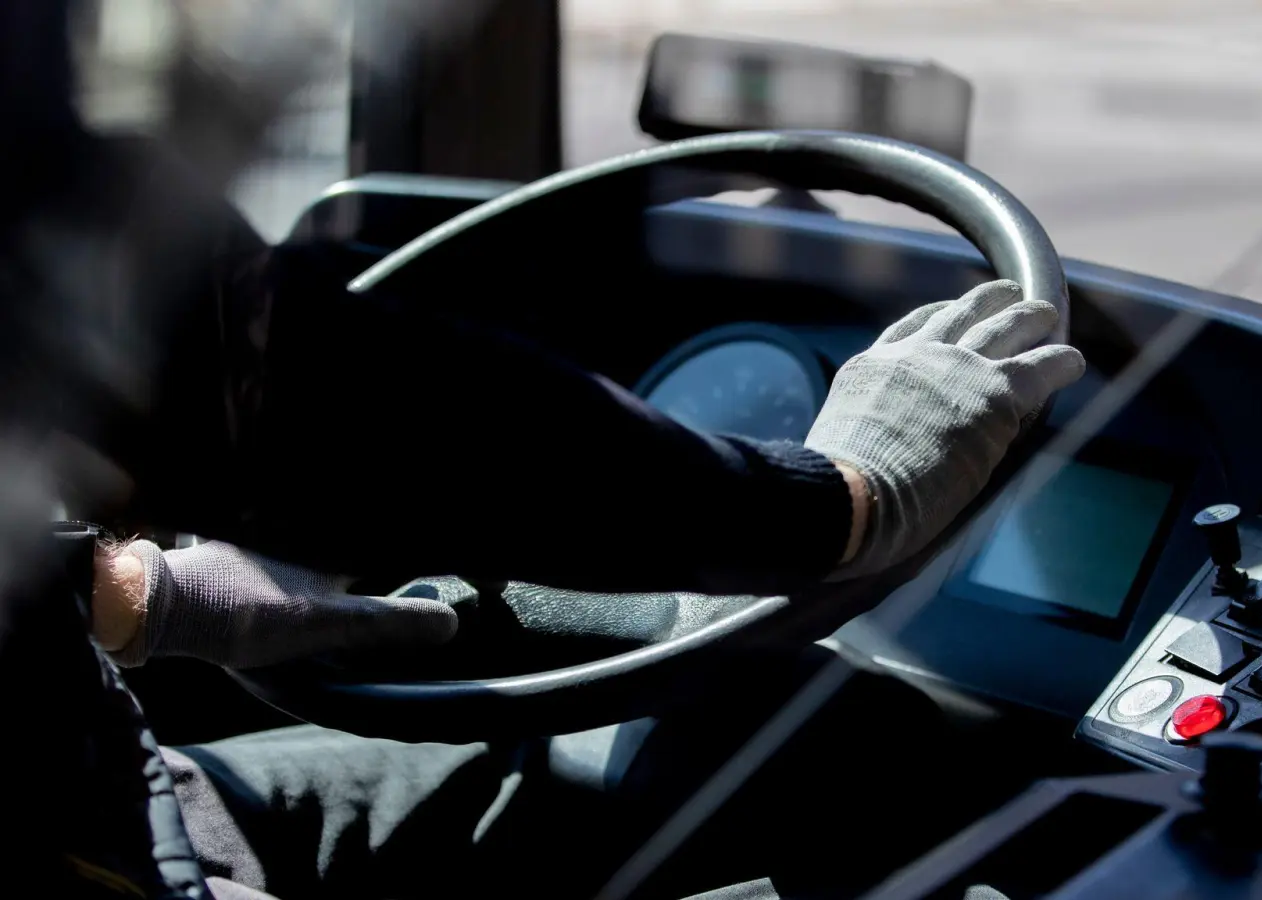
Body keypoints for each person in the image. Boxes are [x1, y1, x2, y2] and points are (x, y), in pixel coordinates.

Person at [0, 4, 1084, 897]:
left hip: (103, 802)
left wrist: (139, 595)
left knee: (831, 732)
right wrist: (835, 503)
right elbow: (226, 368)